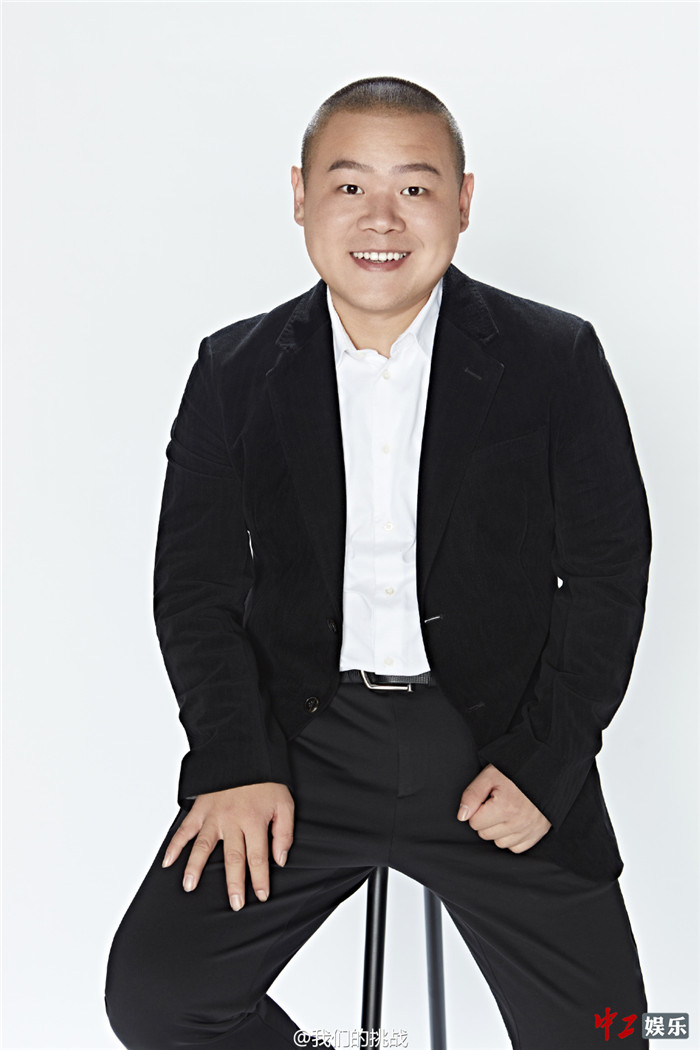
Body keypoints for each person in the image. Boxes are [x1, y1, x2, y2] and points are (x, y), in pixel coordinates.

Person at [105, 77, 652, 1050]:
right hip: (303, 744)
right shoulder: (234, 370)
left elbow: (608, 572)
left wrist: (546, 762)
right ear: (301, 195)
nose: (382, 219)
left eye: (416, 187)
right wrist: (234, 760)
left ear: (463, 202)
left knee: (609, 1034)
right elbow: (195, 590)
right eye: (350, 186)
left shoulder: (553, 357)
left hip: (493, 745)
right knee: (158, 997)